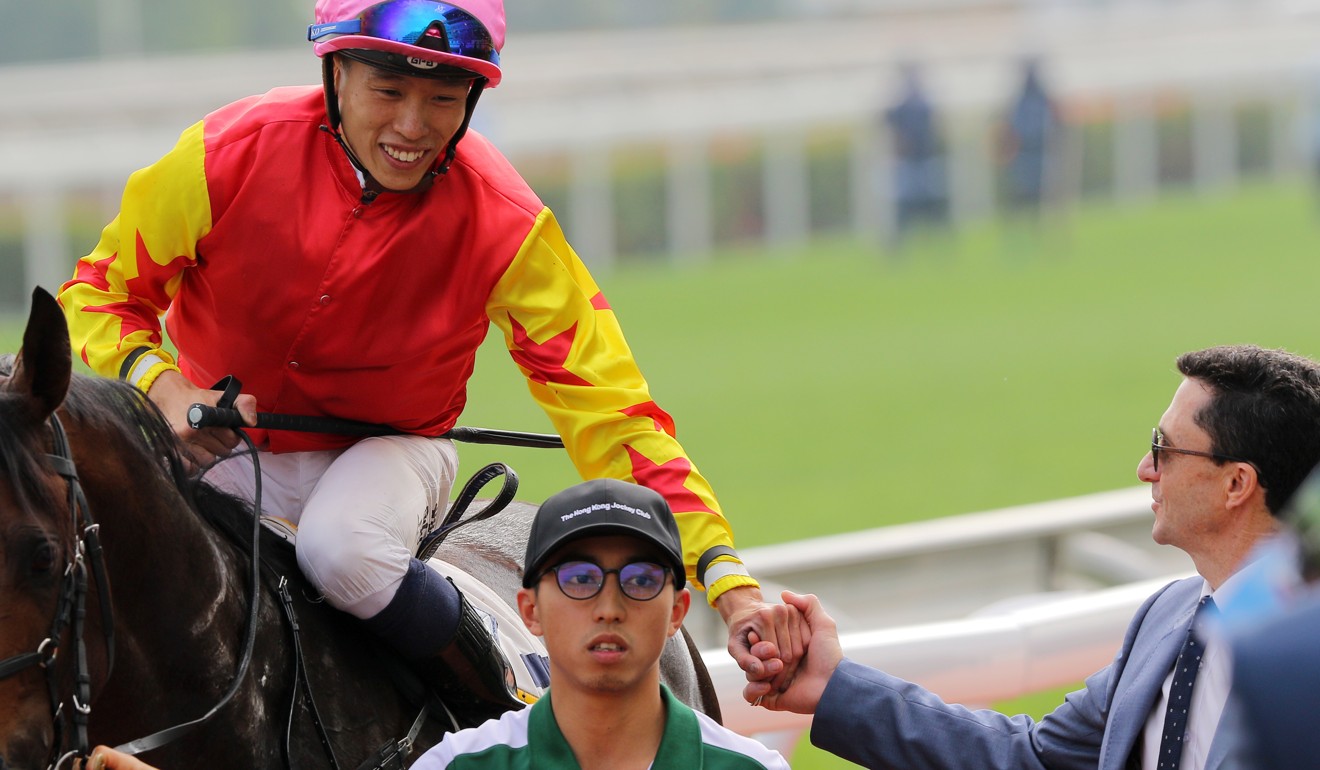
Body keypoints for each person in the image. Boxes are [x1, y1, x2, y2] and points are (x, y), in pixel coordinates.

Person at [57, 0, 797, 724]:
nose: (413, 127)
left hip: (391, 454)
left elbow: (613, 410)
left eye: (443, 98)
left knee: (340, 550)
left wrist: (727, 580)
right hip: (215, 441)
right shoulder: (223, 154)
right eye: (388, 91)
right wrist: (160, 383)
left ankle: (506, 713)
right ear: (335, 73)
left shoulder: (507, 223)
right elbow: (96, 292)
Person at [745, 344, 1320, 770]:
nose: (1145, 469)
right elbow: (1029, 757)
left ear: (1236, 484)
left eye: (1162, 448)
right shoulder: (1167, 618)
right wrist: (835, 686)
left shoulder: (1301, 655)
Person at [413, 478, 791, 769]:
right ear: (530, 610)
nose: (609, 608)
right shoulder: (452, 764)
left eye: (641, 580)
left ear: (677, 612)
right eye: (579, 579)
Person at [881, 61, 948, 248]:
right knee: (908, 208)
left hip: (921, 161)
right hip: (911, 163)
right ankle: (902, 245)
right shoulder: (908, 104)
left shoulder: (919, 103)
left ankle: (939, 242)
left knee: (929, 206)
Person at [998, 57, 1060, 216]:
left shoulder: (1042, 98)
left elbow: (1054, 123)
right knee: (1024, 192)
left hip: (1041, 151)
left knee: (1044, 192)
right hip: (1025, 154)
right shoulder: (1021, 100)